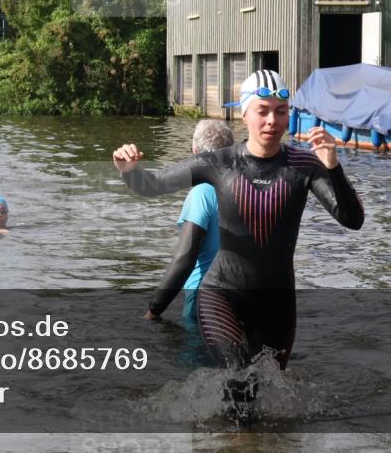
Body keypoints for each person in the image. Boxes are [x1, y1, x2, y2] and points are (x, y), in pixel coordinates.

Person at [112, 70, 364, 410]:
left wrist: (333, 167)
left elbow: (352, 220)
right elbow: (152, 185)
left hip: (278, 305)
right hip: (222, 296)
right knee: (239, 380)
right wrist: (128, 171)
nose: (272, 120)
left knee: (265, 397)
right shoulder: (219, 163)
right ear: (243, 112)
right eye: (262, 110)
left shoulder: (305, 165)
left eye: (280, 111)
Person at [145, 119, 234, 325]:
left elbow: (185, 259)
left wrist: (153, 310)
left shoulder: (202, 193)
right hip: (242, 297)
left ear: (195, 152)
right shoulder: (246, 189)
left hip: (204, 301)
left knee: (194, 355)